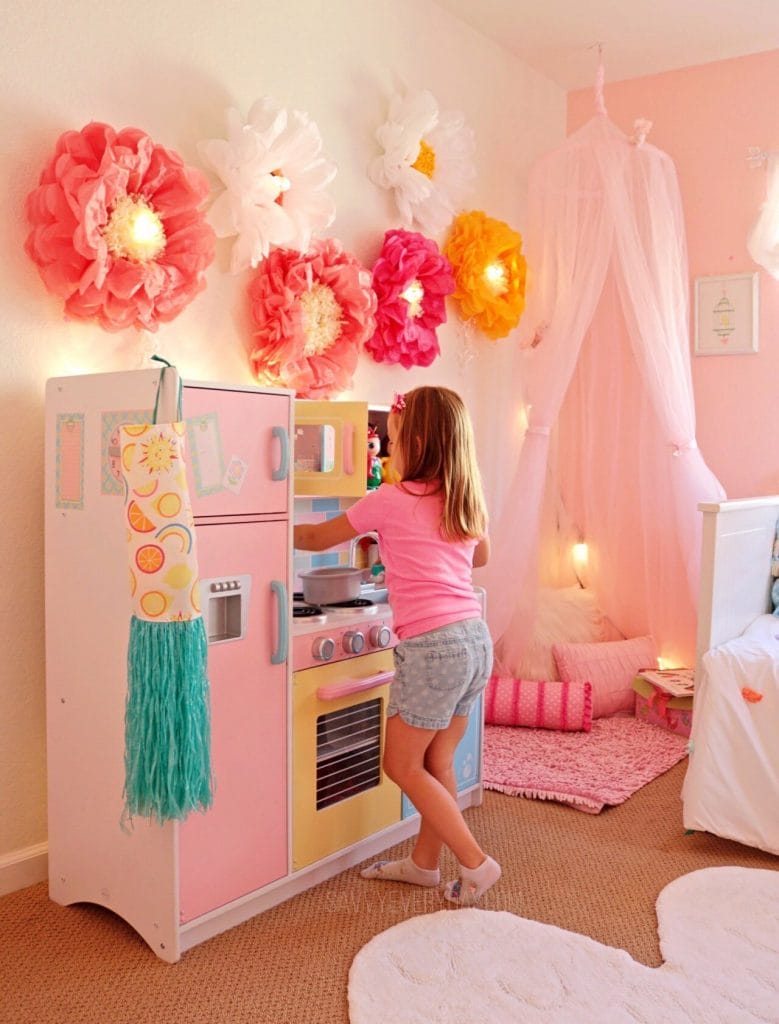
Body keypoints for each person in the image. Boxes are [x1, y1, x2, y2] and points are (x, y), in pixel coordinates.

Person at [293, 386, 500, 905]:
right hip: (474, 640)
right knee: (438, 761)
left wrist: (263, 522)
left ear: (421, 442)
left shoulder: (390, 498)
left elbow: (319, 540)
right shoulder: (464, 498)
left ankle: (476, 864)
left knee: (402, 766)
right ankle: (425, 866)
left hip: (433, 650)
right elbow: (479, 559)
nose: (388, 453)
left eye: (394, 441)